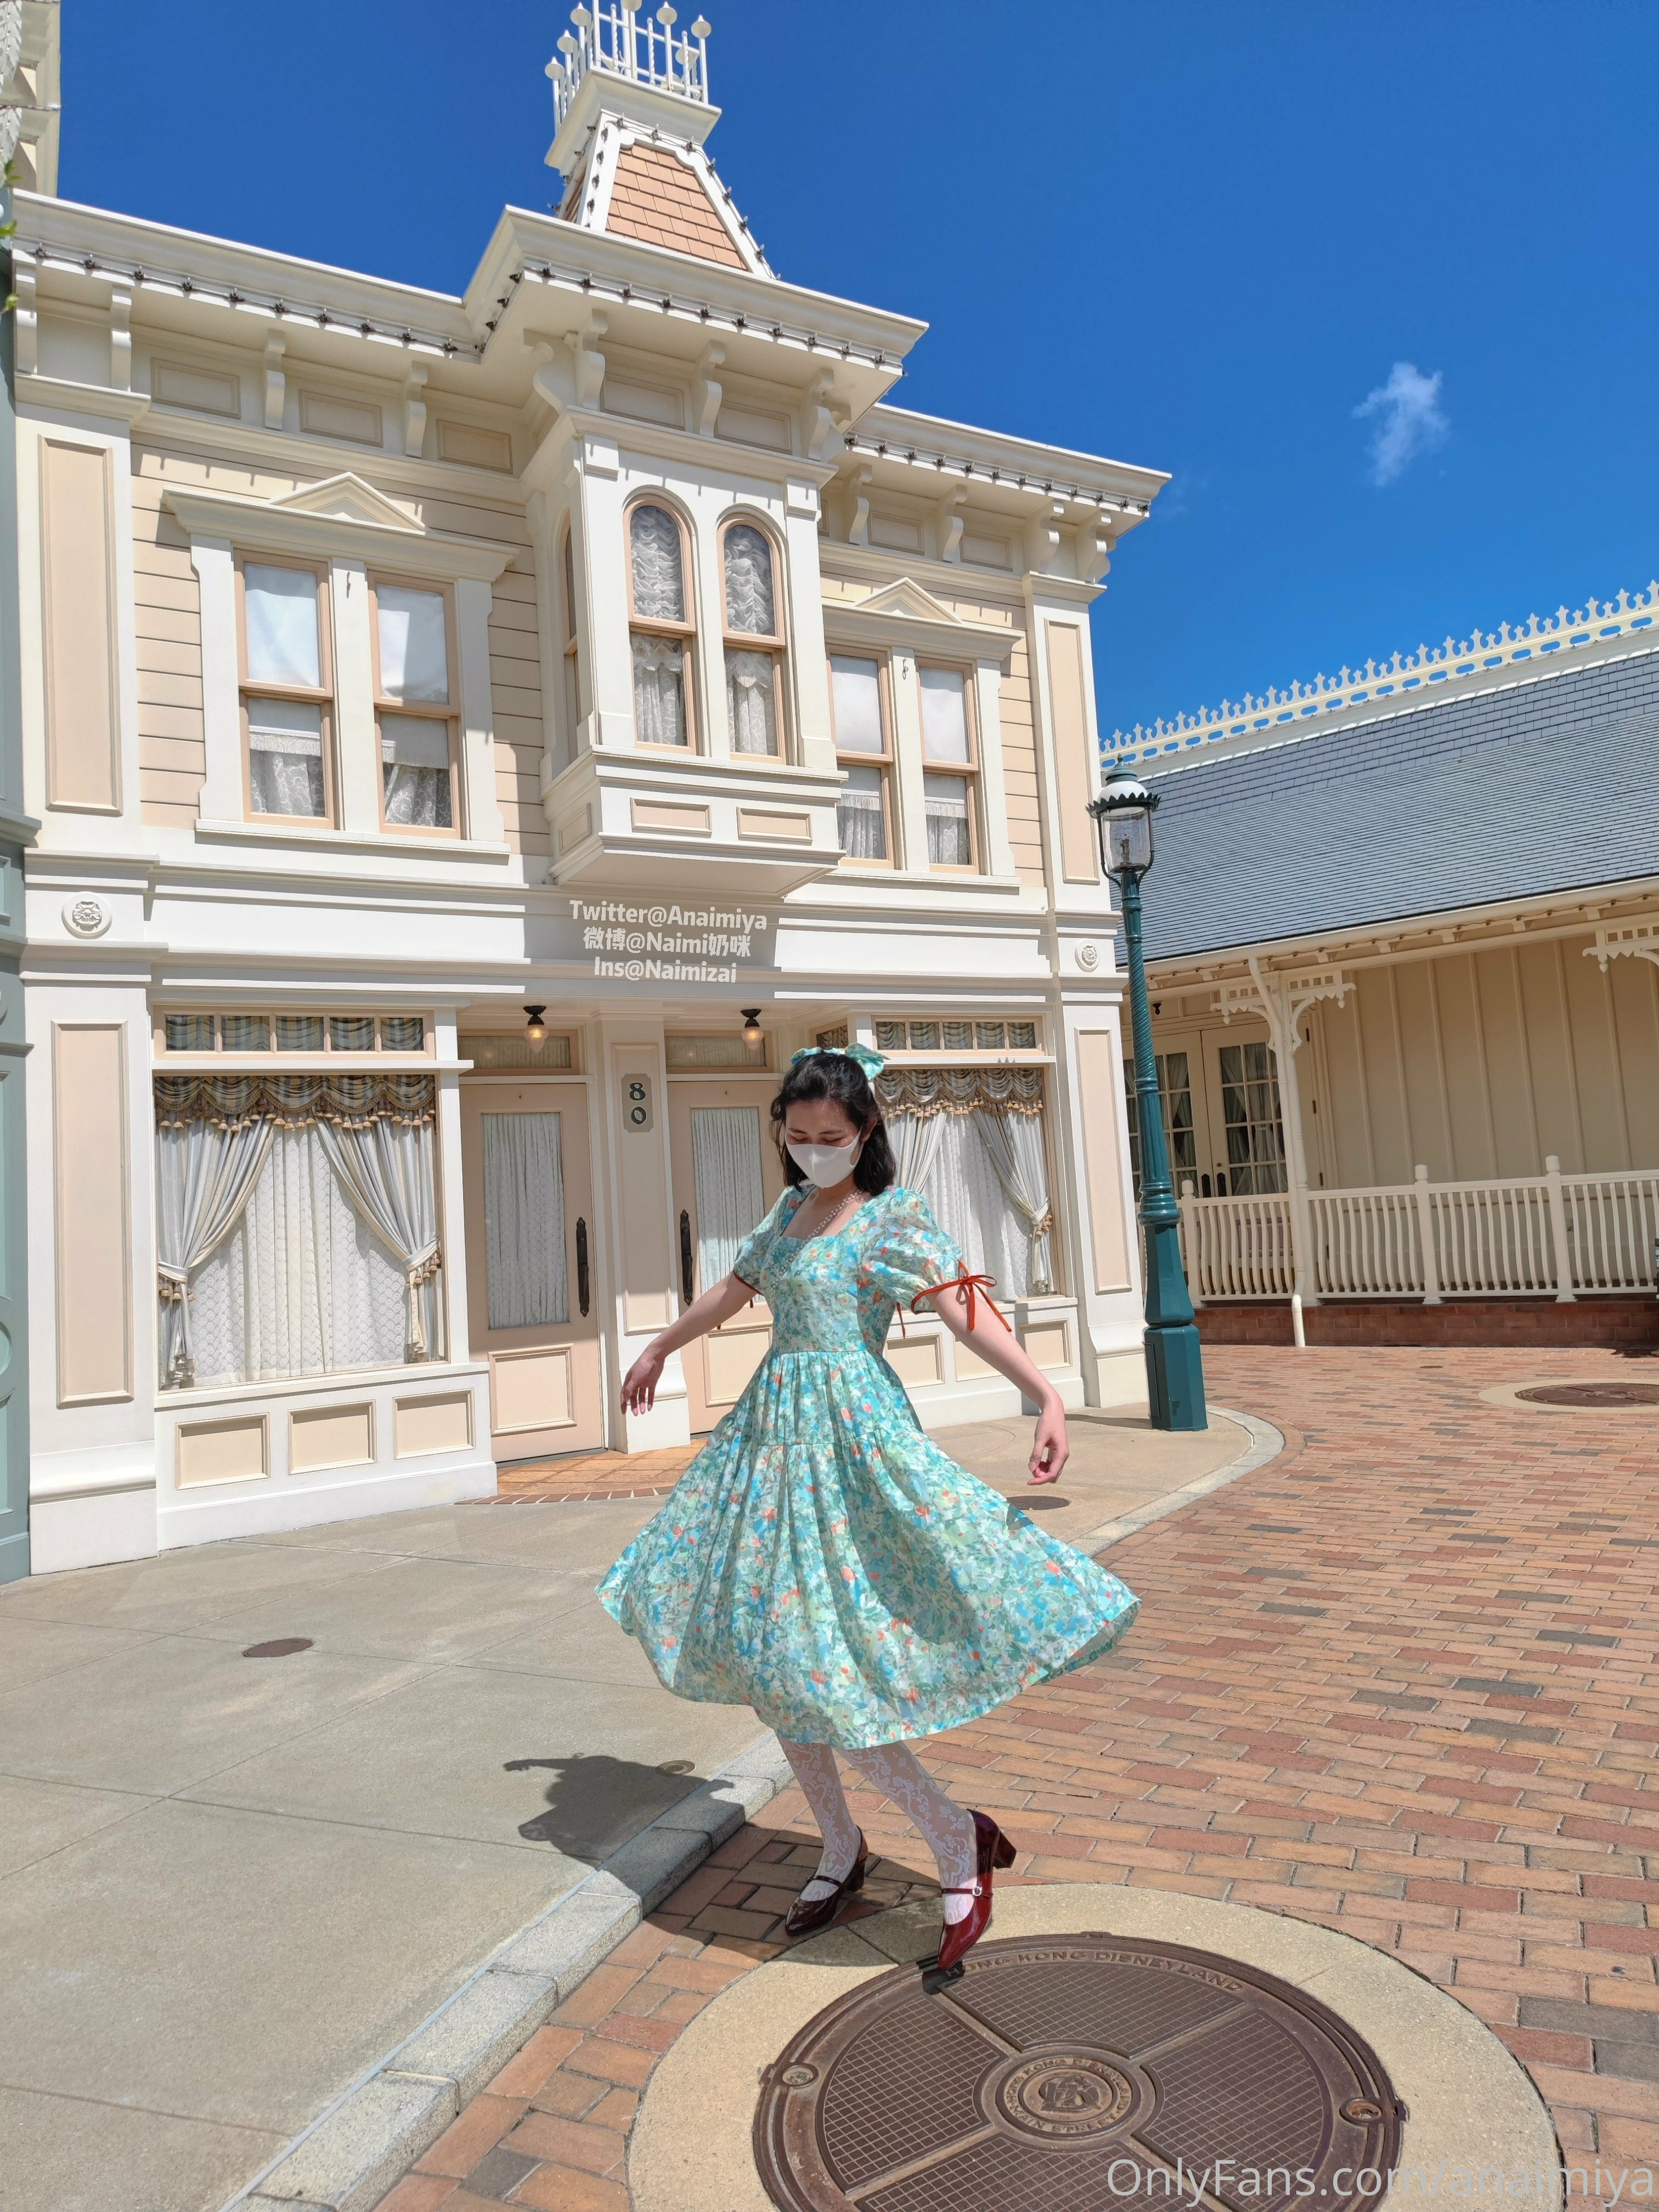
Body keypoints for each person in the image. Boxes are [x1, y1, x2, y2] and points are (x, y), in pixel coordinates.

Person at [597, 1043, 1137, 1976]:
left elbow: (965, 1311)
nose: (814, 1150)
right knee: (775, 1661)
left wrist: (1046, 1393)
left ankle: (955, 1836)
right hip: (769, 1450)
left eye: (831, 1136)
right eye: (799, 1135)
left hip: (852, 1447)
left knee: (829, 1673)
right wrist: (660, 1346)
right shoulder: (786, 1214)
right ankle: (840, 1844)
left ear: (866, 1131)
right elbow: (736, 1289)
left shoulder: (892, 1218)